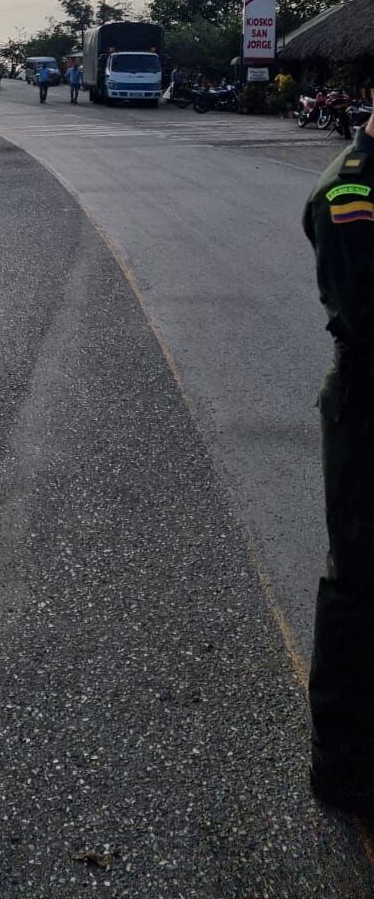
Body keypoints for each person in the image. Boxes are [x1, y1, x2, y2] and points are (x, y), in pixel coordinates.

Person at [304, 106, 374, 813]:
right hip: (367, 410)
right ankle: (341, 761)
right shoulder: (350, 193)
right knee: (359, 583)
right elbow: (365, 312)